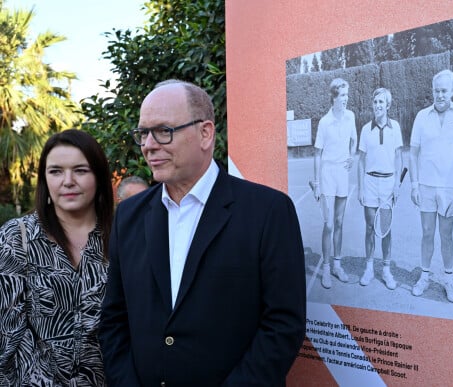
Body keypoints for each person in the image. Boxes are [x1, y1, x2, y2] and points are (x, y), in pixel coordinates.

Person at [99, 80, 306, 386]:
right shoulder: (128, 216)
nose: (149, 145)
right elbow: (115, 319)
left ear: (205, 133)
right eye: (143, 133)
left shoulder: (269, 211)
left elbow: (283, 325)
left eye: (164, 131)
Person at [0, 129, 114, 385]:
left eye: (81, 170)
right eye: (56, 171)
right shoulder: (16, 238)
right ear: (44, 180)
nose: (68, 181)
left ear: (99, 175)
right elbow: (6, 335)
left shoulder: (122, 236)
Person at [409, 70, 453, 303]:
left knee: (446, 236)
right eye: (436, 90)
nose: (440, 95)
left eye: (444, 90)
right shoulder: (421, 116)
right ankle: (424, 276)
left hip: (450, 188)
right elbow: (413, 152)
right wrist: (414, 184)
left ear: (452, 91)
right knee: (427, 233)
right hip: (426, 186)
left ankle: (448, 280)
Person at [312, 77, 357, 289]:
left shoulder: (351, 117)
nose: (346, 99)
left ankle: (337, 266)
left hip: (343, 175)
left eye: (347, 95)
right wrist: (317, 183)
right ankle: (327, 268)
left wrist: (352, 155)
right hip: (327, 174)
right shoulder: (324, 122)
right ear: (334, 98)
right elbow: (317, 154)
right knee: (328, 224)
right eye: (342, 96)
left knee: (339, 223)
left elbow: (354, 140)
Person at [357, 88, 403, 289]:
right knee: (369, 228)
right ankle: (369, 268)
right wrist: (359, 188)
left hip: (387, 184)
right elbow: (361, 161)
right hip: (369, 183)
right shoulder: (366, 129)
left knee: (385, 229)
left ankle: (386, 270)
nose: (377, 105)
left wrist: (397, 185)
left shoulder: (396, 128)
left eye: (381, 102)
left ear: (388, 105)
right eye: (375, 102)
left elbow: (400, 157)